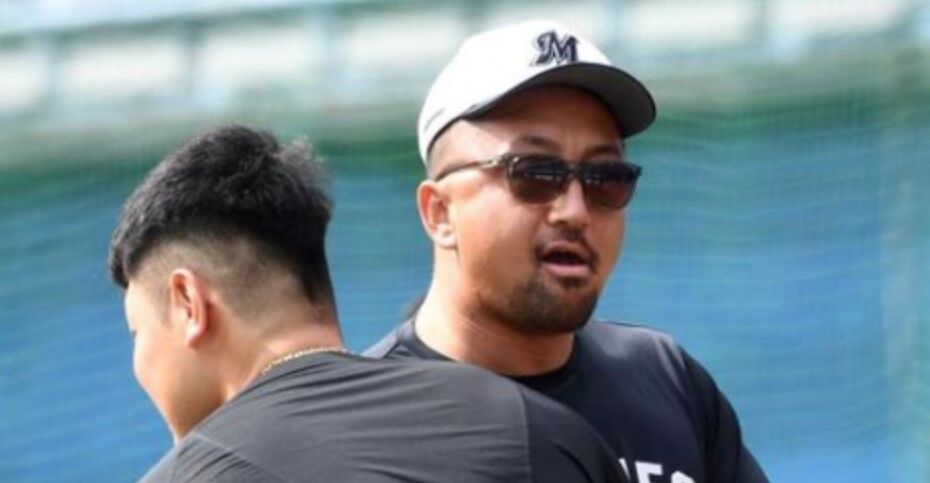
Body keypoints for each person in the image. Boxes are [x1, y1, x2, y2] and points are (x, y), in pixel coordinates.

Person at [365, 20, 769, 483]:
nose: (575, 211)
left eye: (606, 179)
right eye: (534, 173)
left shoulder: (667, 382)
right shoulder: (359, 431)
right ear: (439, 212)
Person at [108, 125, 628, 482]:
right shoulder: (535, 427)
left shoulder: (190, 475)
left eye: (138, 334)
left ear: (188, 303)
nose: (140, 363)